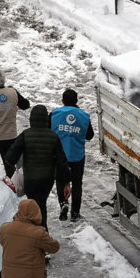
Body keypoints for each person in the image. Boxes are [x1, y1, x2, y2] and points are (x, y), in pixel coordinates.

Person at [4, 104, 71, 221]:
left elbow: (10, 158)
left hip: (30, 180)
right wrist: (66, 182)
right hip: (47, 180)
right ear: (46, 119)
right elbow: (62, 162)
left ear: (31, 119)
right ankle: (41, 231)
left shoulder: (25, 135)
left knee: (34, 207)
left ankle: (39, 232)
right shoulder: (53, 136)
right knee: (41, 205)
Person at [50, 88, 93, 220]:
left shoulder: (54, 113)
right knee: (77, 183)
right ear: (76, 101)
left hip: (60, 155)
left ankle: (63, 204)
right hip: (77, 155)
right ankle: (75, 213)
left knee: (60, 180)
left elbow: (48, 131)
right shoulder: (84, 116)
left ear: (62, 100)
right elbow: (89, 136)